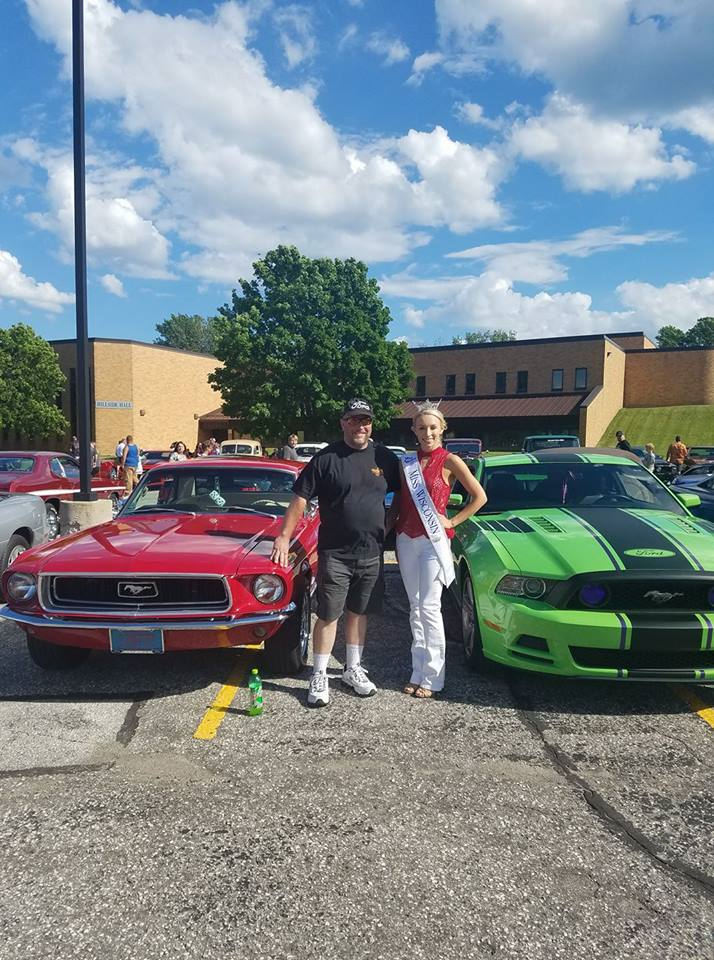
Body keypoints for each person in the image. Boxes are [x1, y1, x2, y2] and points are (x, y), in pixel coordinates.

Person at [271, 398, 400, 708]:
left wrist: (389, 522)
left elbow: (400, 495)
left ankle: (352, 669)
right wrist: (284, 537)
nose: (360, 425)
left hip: (371, 553)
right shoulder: (326, 459)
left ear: (372, 423)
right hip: (335, 553)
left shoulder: (385, 457)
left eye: (365, 420)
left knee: (359, 612)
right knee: (329, 614)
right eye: (354, 420)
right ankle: (319, 673)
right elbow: (300, 499)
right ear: (343, 422)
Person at [396, 402, 487, 699]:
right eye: (421, 428)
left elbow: (479, 496)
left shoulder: (450, 460)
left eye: (433, 427)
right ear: (414, 430)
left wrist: (452, 519)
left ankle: (433, 678)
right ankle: (417, 671)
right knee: (415, 609)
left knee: (430, 608)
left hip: (433, 541)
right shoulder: (407, 462)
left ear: (442, 429)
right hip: (405, 539)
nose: (427, 433)